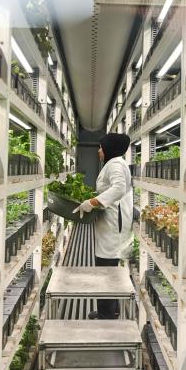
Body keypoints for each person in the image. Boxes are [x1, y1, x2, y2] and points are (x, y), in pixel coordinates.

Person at [73, 133, 134, 319]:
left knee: (105, 268)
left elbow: (118, 188)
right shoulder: (115, 163)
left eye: (101, 147)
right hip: (111, 222)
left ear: (109, 149)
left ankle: (106, 314)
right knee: (109, 267)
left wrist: (92, 202)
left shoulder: (115, 164)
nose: (99, 151)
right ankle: (111, 309)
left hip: (113, 225)